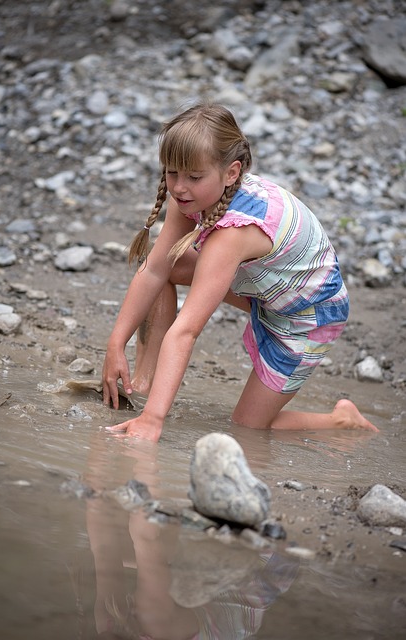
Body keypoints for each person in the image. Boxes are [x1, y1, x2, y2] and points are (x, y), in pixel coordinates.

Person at [102, 102, 378, 441]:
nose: (179, 188)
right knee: (169, 262)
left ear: (231, 173)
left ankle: (341, 421)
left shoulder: (231, 236)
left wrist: (153, 420)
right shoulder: (193, 197)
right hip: (264, 286)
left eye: (194, 177)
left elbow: (186, 331)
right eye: (172, 173)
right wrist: (116, 343)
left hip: (307, 315)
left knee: (249, 427)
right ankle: (143, 383)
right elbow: (154, 271)